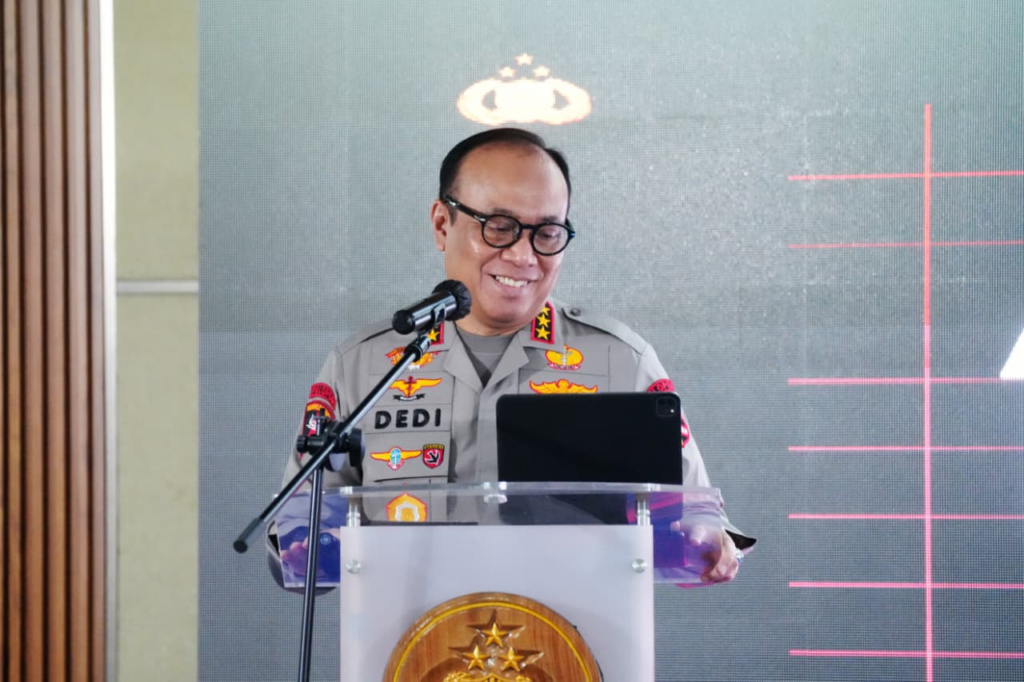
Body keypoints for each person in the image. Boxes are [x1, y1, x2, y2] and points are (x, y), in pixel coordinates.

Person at [275, 128, 753, 584]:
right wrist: (307, 546)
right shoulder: (363, 366)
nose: (524, 256)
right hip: (409, 634)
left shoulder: (621, 361)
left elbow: (695, 518)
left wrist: (707, 540)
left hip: (574, 634)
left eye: (547, 233)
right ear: (442, 224)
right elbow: (298, 530)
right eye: (499, 227)